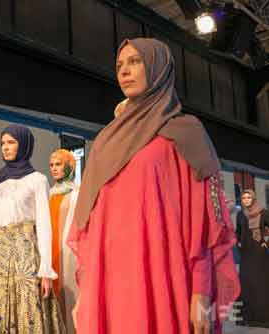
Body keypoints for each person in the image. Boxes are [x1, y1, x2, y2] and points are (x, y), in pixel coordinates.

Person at [68, 38, 240, 334]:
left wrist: (201, 292)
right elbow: (91, 223)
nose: (124, 71)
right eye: (120, 65)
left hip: (165, 276)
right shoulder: (106, 141)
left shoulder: (184, 133)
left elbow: (205, 222)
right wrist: (85, 291)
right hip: (110, 282)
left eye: (135, 62)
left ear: (159, 68)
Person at [0, 124, 65, 333]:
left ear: (24, 146)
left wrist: (46, 271)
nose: (5, 147)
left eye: (11, 142)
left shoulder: (37, 180)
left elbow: (44, 226)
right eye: (3, 143)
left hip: (25, 257)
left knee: (29, 313)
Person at [48, 149, 79, 334]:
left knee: (69, 296)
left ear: (69, 166)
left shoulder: (76, 194)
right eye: (51, 165)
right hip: (50, 250)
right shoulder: (50, 193)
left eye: (58, 164)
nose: (54, 168)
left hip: (67, 252)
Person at [236, 189, 269, 327]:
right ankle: (246, 317)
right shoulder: (240, 215)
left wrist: (266, 242)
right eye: (244, 198)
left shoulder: (264, 213)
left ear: (253, 199)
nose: (246, 200)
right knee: (246, 284)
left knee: (261, 284)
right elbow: (238, 231)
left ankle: (263, 319)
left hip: (260, 253)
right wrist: (238, 241)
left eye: (249, 197)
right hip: (246, 253)